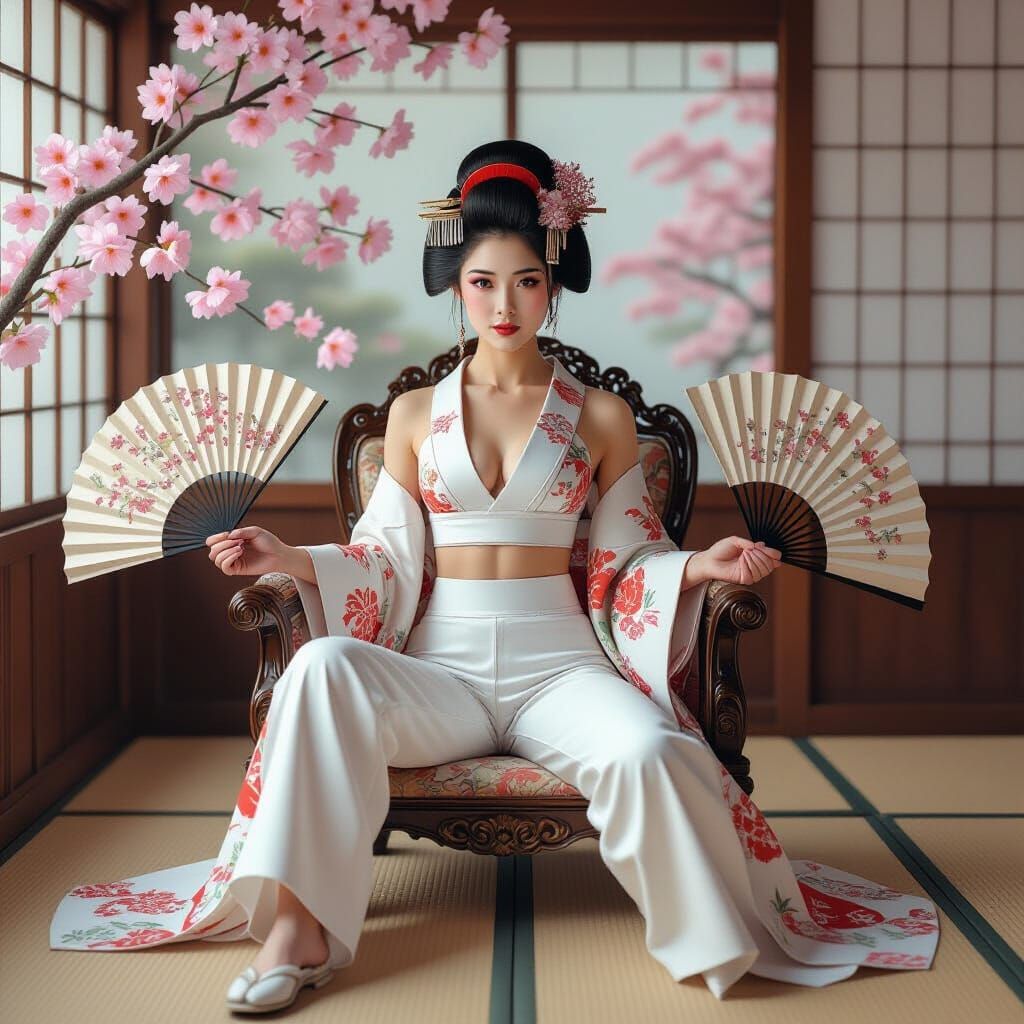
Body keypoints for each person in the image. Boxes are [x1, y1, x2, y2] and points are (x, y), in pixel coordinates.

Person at [49, 140, 938, 1015]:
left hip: (564, 670)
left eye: (525, 281)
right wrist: (289, 560)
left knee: (655, 752)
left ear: (553, 282)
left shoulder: (600, 415)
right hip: (439, 675)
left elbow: (624, 557)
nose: (504, 303)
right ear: (454, 285)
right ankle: (299, 932)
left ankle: (715, 943)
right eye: (483, 282)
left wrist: (699, 566)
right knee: (319, 670)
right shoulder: (408, 416)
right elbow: (386, 559)